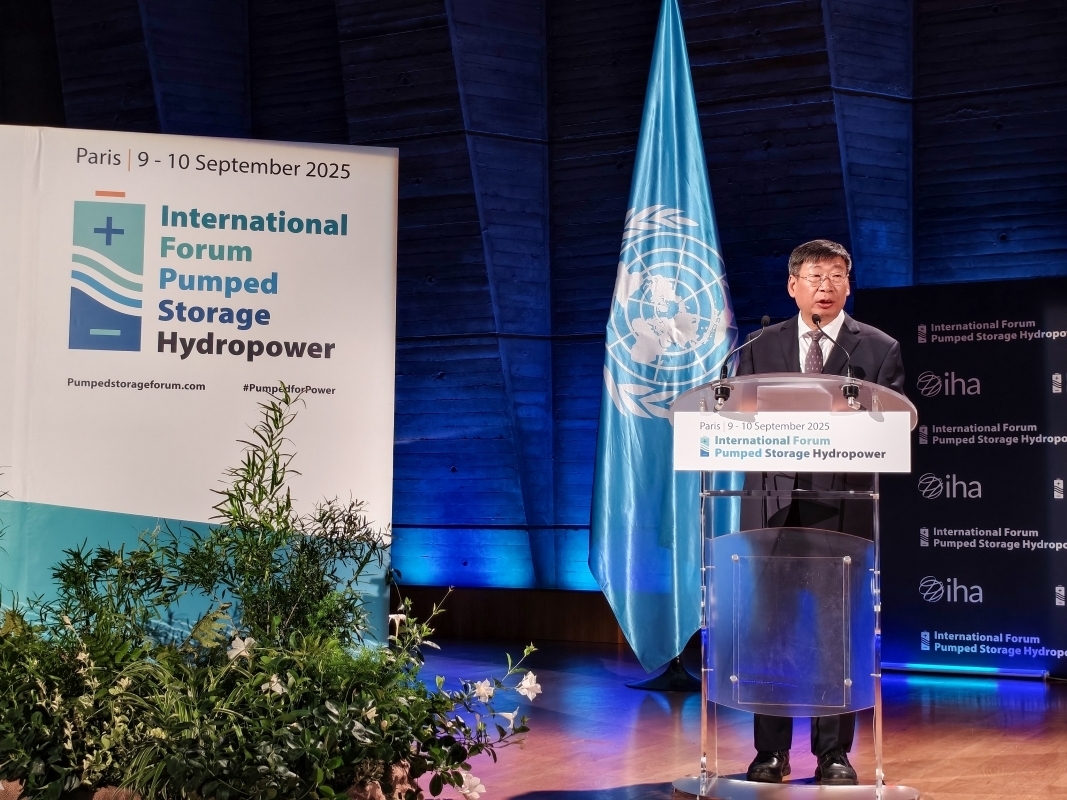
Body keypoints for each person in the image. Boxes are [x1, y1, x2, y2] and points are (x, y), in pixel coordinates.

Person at [736, 239, 904, 786]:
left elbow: (891, 431)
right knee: (770, 632)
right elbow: (737, 419)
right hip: (771, 508)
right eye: (814, 276)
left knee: (836, 634)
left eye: (835, 276)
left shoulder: (877, 348)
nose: (824, 286)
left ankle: (834, 754)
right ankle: (770, 752)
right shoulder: (758, 345)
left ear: (848, 285)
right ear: (793, 286)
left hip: (842, 510)